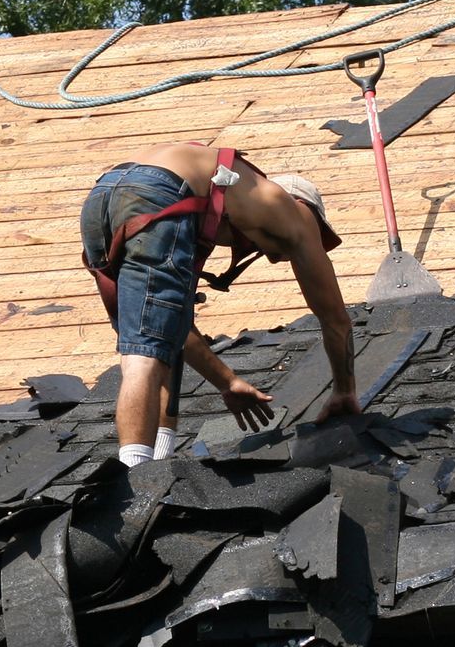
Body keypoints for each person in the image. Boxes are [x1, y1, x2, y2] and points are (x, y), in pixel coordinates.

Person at [80, 142, 358, 466]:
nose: (274, 258)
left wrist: (227, 382)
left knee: (150, 342)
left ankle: (157, 463)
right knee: (143, 357)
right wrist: (344, 389)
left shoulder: (216, 197)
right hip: (157, 193)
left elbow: (177, 334)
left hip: (102, 194)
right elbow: (335, 320)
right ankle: (135, 483)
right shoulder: (293, 212)